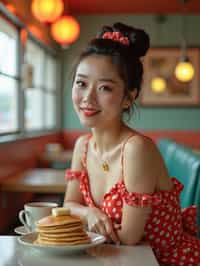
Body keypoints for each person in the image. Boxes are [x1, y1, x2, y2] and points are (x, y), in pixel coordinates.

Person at [63, 22, 200, 265]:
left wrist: (81, 220)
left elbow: (128, 238)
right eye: (81, 83)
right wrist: (89, 212)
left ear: (129, 97)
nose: (87, 97)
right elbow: (69, 205)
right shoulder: (82, 146)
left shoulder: (137, 149)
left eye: (104, 87)